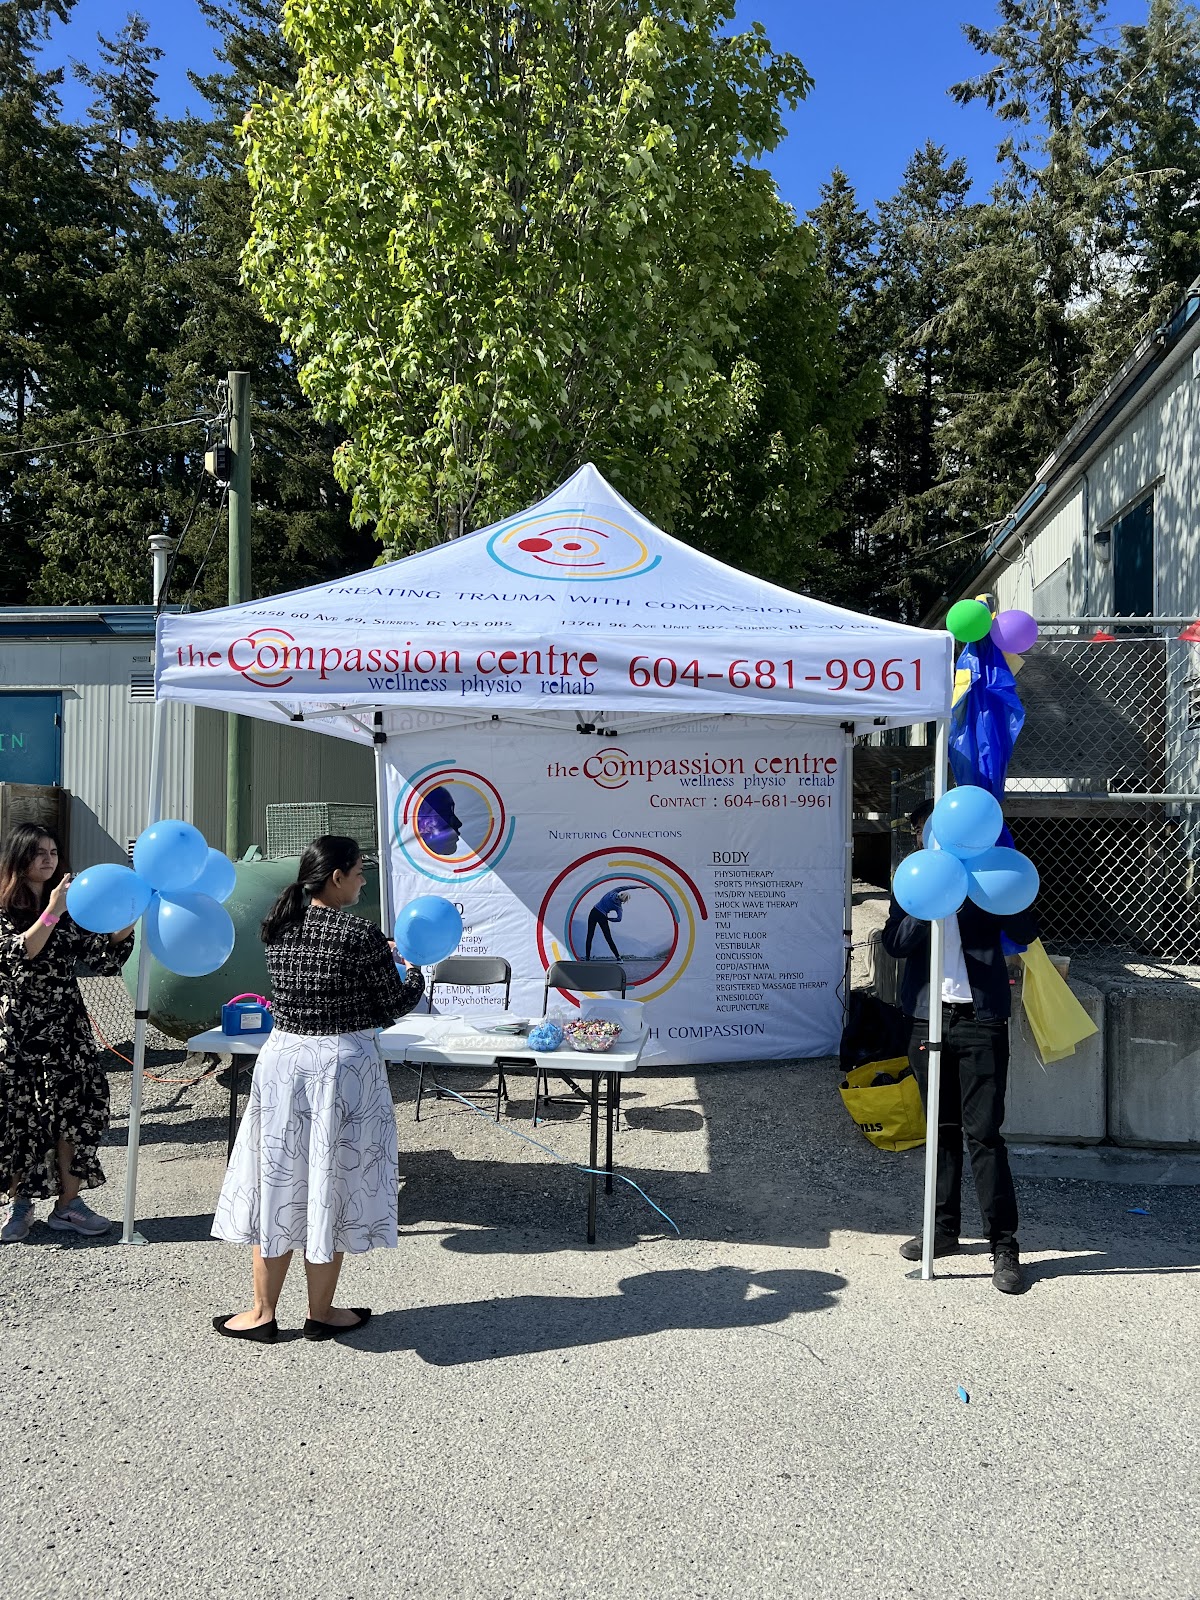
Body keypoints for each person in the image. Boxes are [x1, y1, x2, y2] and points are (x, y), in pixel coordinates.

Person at [211, 835, 425, 1343]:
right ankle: (320, 1312)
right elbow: (389, 1006)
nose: (363, 882)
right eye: (359, 873)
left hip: (284, 1061)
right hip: (341, 1067)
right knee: (332, 1183)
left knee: (278, 1181)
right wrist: (416, 973)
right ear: (336, 877)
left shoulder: (279, 924)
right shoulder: (359, 934)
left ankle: (262, 1312)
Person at [882, 797, 1038, 1295]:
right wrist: (926, 901)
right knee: (939, 1130)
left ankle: (1004, 1245)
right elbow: (895, 944)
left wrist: (987, 893)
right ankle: (943, 1230)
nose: (923, 835)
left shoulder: (986, 876)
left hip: (980, 1019)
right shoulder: (915, 878)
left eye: (928, 826)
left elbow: (1025, 931)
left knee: (985, 1134)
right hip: (926, 1018)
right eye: (920, 830)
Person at [0, 825, 136, 1243]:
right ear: (19, 858)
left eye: (54, 852)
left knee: (76, 1113)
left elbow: (103, 959)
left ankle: (68, 1205)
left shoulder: (71, 909)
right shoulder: (6, 909)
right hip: (21, 1031)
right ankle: (21, 1206)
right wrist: (52, 911)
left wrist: (128, 917)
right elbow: (17, 954)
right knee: (22, 1118)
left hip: (67, 1029)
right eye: (39, 852)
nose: (49, 859)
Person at [584, 888, 631, 960]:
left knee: (590, 935)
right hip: (602, 916)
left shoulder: (612, 892)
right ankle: (618, 957)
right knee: (608, 937)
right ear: (624, 901)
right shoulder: (618, 906)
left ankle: (587, 957)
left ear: (621, 894)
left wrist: (639, 886)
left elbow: (626, 887)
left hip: (594, 912)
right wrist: (609, 919)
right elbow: (619, 919)